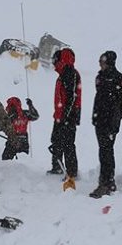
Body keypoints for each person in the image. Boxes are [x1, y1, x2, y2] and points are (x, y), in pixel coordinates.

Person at [89, 50, 122, 198]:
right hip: (100, 120)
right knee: (103, 150)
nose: (100, 64)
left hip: (111, 121)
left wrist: (117, 117)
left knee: (107, 150)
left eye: (102, 61)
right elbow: (99, 97)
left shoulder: (119, 79)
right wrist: (96, 115)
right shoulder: (100, 77)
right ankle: (105, 180)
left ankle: (107, 182)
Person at [47, 48, 82, 179]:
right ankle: (57, 166)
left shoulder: (70, 73)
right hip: (60, 115)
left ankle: (72, 172)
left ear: (61, 60)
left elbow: (71, 97)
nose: (53, 64)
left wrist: (66, 117)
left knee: (68, 143)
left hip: (68, 116)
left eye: (55, 61)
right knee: (56, 140)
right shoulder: (63, 74)